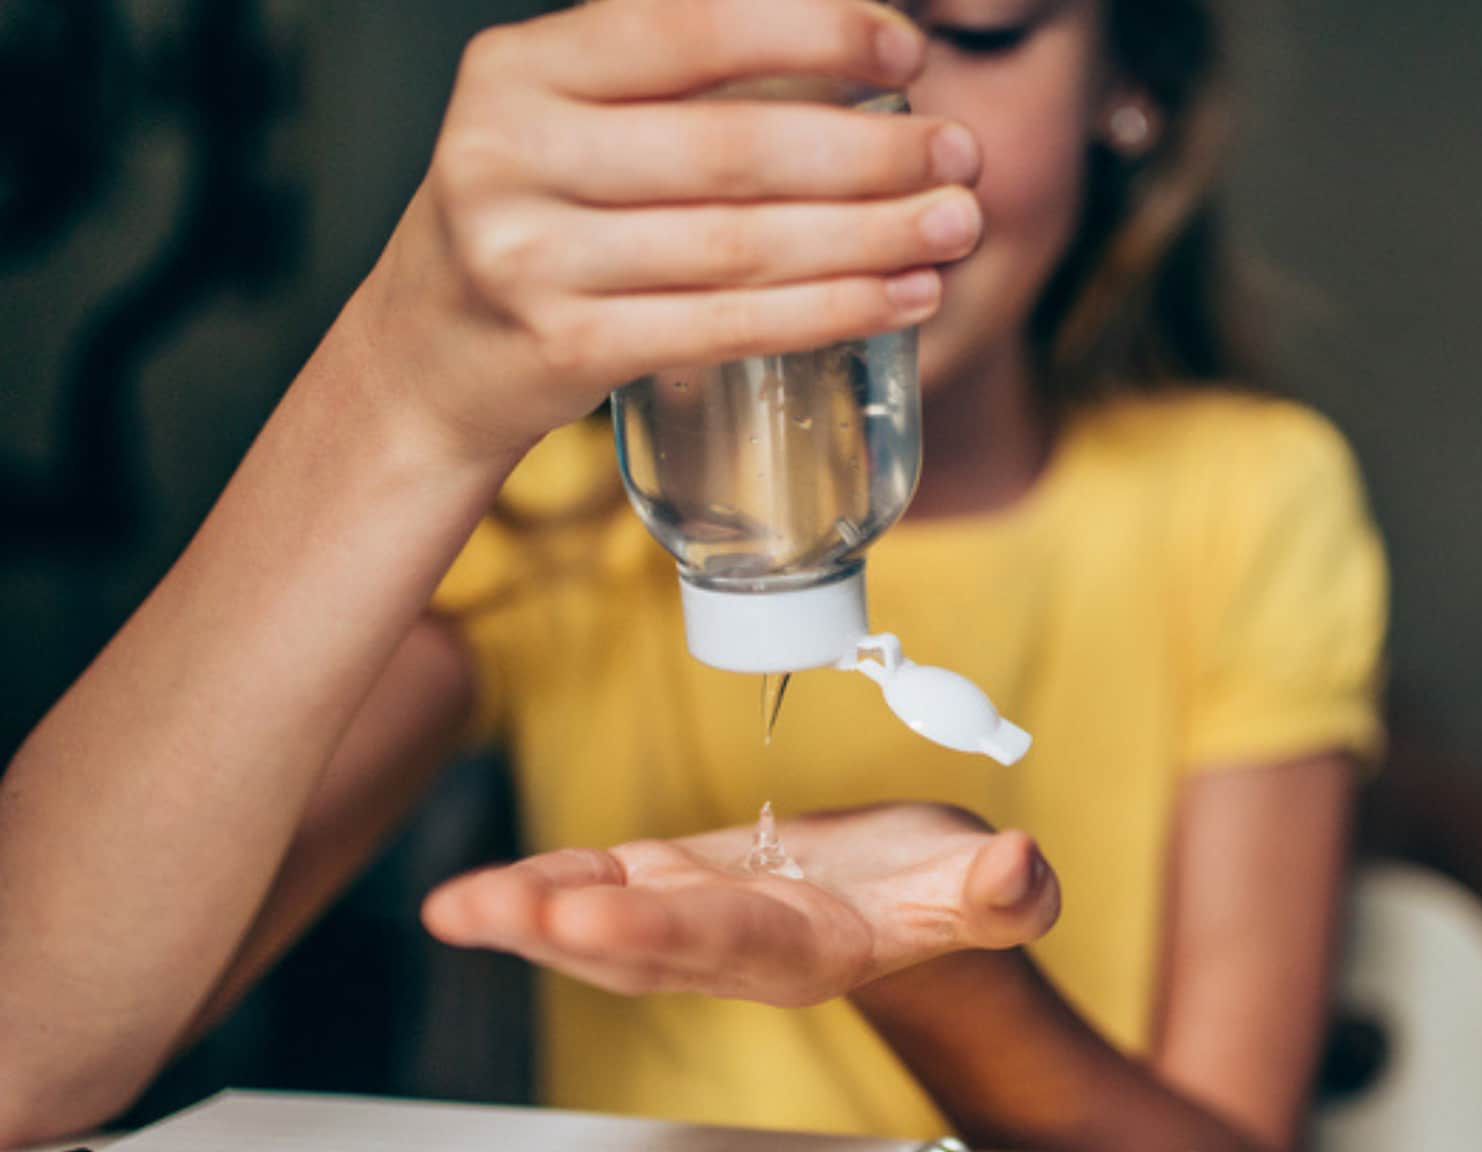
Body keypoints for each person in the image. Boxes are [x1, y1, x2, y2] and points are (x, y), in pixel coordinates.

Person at [0, 0, 1387, 1148]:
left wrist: (942, 974)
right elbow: (24, 1049)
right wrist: (401, 395)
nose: (840, 157)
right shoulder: (553, 518)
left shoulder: (1244, 503)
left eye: (966, 25)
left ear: (1131, 81)